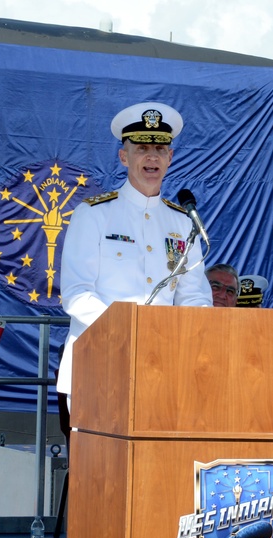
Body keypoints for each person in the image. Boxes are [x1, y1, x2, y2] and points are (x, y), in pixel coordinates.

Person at [56, 102, 212, 403]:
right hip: (101, 361)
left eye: (160, 149)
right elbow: (77, 294)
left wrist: (198, 330)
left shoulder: (182, 222)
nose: (151, 156)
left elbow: (194, 297)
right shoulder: (93, 214)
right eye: (141, 148)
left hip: (165, 366)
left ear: (170, 158)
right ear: (123, 157)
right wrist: (132, 332)